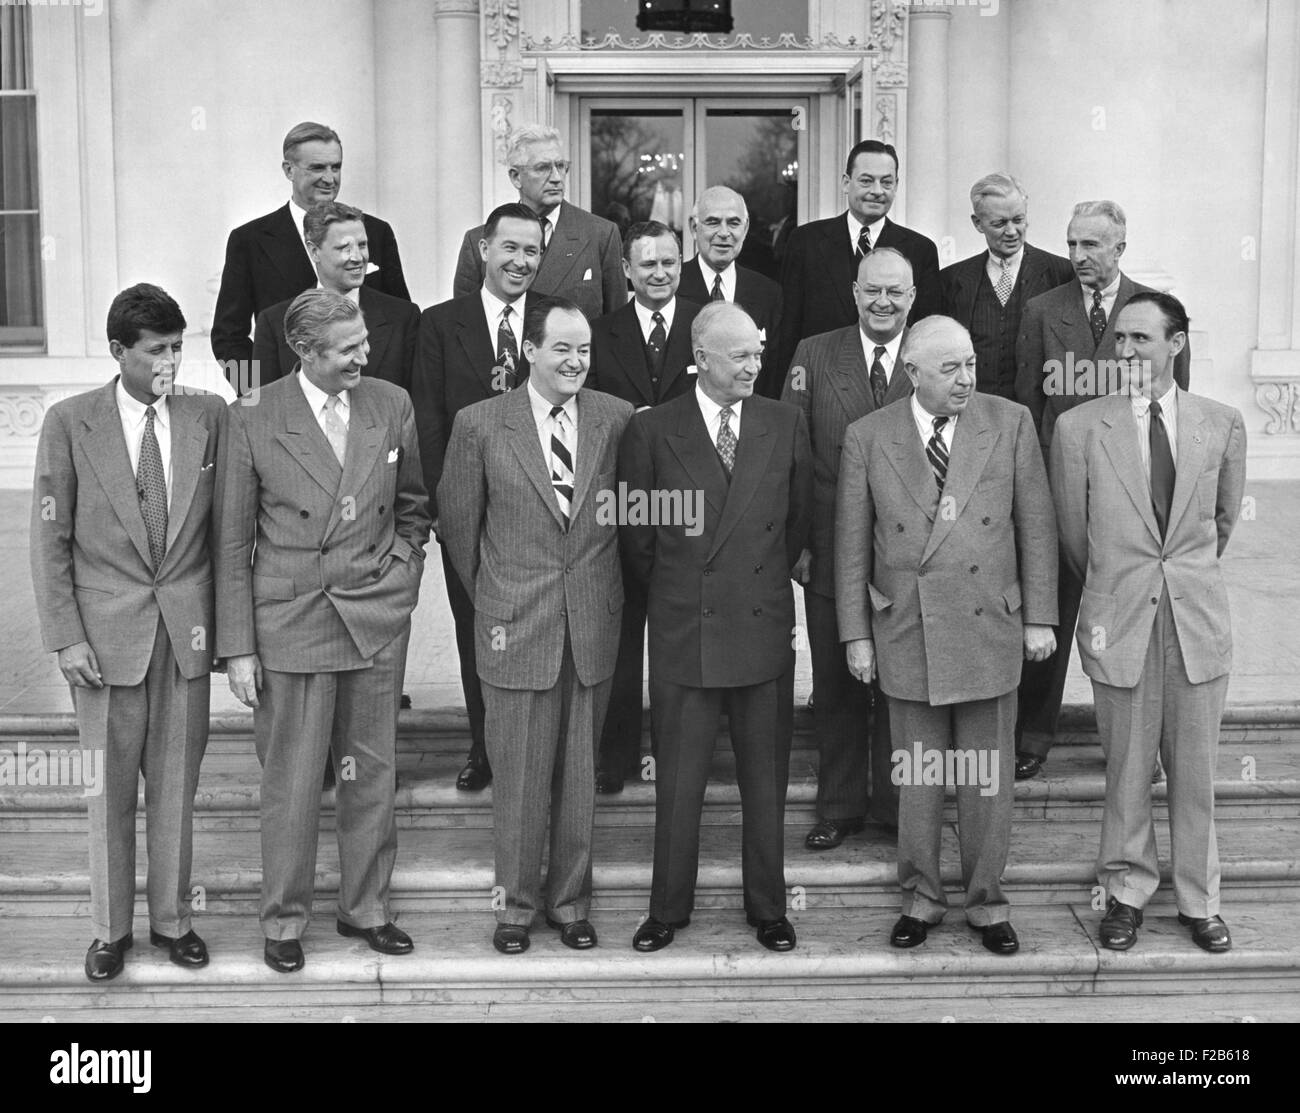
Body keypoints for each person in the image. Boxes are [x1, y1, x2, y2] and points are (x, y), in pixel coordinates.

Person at [216, 288, 430, 974]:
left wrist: (398, 584)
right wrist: (239, 647)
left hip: (372, 619)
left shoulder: (390, 403)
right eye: (347, 349)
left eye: (365, 342)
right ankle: (284, 919)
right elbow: (229, 543)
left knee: (371, 772)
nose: (364, 356)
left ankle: (365, 907)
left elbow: (414, 510)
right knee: (293, 778)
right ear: (305, 351)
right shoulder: (250, 414)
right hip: (291, 621)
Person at [835, 315, 1058, 955]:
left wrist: (1040, 616)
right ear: (912, 373)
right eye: (949, 369)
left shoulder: (1009, 421)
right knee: (919, 776)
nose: (966, 379)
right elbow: (852, 545)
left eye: (970, 365)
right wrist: (856, 634)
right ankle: (922, 898)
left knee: (987, 776)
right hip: (906, 627)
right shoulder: (867, 437)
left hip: (990, 622)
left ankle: (988, 903)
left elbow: (1036, 526)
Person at [30, 284, 226, 981]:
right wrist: (66, 636)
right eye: (156, 351)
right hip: (103, 643)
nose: (170, 361)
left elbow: (227, 536)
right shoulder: (69, 422)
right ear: (119, 352)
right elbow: (50, 539)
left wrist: (229, 639)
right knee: (106, 792)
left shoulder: (210, 417)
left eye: (178, 347)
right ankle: (109, 931)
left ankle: (174, 921)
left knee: (176, 788)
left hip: (184, 637)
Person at [1051, 292, 1246, 954]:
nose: (1126, 351)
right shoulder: (1079, 428)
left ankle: (1200, 900)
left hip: (1196, 624)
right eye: (1121, 340)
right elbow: (1076, 539)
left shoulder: (1221, 424)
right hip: (1121, 620)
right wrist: (1122, 585)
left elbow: (1219, 524)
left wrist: (1176, 577)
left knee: (1195, 771)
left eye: (1141, 338)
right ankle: (1126, 892)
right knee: (1127, 767)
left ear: (1176, 343)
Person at [437, 297, 634, 955]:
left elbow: (629, 520)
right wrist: (501, 596)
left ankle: (570, 902)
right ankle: (515, 908)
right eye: (562, 349)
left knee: (579, 776)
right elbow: (460, 530)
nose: (576, 361)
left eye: (583, 350)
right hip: (513, 625)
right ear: (529, 351)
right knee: (518, 778)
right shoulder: (479, 423)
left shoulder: (617, 419)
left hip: (591, 626)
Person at [620, 302, 812, 954]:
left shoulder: (785, 423)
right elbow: (638, 538)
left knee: (766, 781)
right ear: (701, 356)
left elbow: (800, 525)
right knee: (677, 782)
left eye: (759, 353)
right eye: (741, 356)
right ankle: (666, 908)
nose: (756, 366)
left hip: (761, 625)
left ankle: (770, 908)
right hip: (684, 629)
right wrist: (678, 595)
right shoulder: (652, 431)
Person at [1013, 200, 1191, 781]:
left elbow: (1173, 411)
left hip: (1134, 498)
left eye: (1091, 245)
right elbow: (1025, 407)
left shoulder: (1154, 313)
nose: (1078, 256)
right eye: (1071, 244)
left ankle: (1145, 746)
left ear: (1120, 247)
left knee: (1144, 620)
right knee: (1052, 610)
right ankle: (1033, 736)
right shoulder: (1042, 311)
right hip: (1058, 488)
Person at [782, 248, 916, 847]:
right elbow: (790, 455)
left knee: (899, 683)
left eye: (895, 292)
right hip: (831, 549)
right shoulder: (814, 354)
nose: (883, 302)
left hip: (909, 555)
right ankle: (838, 806)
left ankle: (893, 809)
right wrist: (800, 545)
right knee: (836, 681)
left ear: (912, 297)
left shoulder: (931, 354)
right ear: (855, 292)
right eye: (872, 291)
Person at [412, 202, 545, 793]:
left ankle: (537, 746)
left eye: (532, 251)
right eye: (510, 248)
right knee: (477, 632)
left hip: (544, 512)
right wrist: (446, 506)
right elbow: (429, 418)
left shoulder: (556, 320)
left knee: (540, 631)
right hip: (468, 514)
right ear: (484, 250)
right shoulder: (441, 323)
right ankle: (484, 747)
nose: (520, 261)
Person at [585, 221, 702, 793]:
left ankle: (685, 754)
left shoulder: (706, 325)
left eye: (670, 263)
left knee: (687, 627)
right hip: (620, 497)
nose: (660, 274)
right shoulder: (600, 333)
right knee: (623, 627)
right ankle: (617, 756)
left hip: (693, 499)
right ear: (627, 270)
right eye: (648, 264)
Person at [211, 121, 409, 379]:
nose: (329, 178)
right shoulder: (250, 240)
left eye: (335, 167)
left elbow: (401, 321)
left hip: (369, 393)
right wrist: (256, 394)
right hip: (288, 401)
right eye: (317, 168)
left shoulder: (375, 232)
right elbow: (227, 337)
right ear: (288, 170)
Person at [775, 139, 941, 377]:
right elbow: (788, 330)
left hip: (892, 388)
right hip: (822, 382)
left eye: (886, 182)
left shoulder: (920, 250)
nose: (877, 191)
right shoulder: (806, 242)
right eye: (866, 180)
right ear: (846, 183)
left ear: (896, 186)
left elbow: (926, 334)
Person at [452, 124, 624, 320]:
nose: (557, 178)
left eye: (560, 166)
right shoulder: (478, 242)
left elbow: (614, 329)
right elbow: (464, 329)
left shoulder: (600, 234)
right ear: (516, 177)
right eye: (543, 168)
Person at [251, 202, 419, 392]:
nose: (357, 257)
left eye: (362, 245)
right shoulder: (273, 322)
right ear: (314, 251)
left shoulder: (403, 317)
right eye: (343, 248)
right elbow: (262, 404)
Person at [939, 173, 1074, 400]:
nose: (1011, 231)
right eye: (999, 223)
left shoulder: (1061, 273)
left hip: (1036, 417)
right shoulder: (952, 280)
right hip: (973, 413)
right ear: (977, 223)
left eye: (1018, 220)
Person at [678, 186, 784, 398]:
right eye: (713, 222)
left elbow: (774, 373)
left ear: (745, 230)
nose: (724, 233)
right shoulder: (674, 287)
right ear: (693, 227)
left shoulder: (768, 293)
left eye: (733, 223)